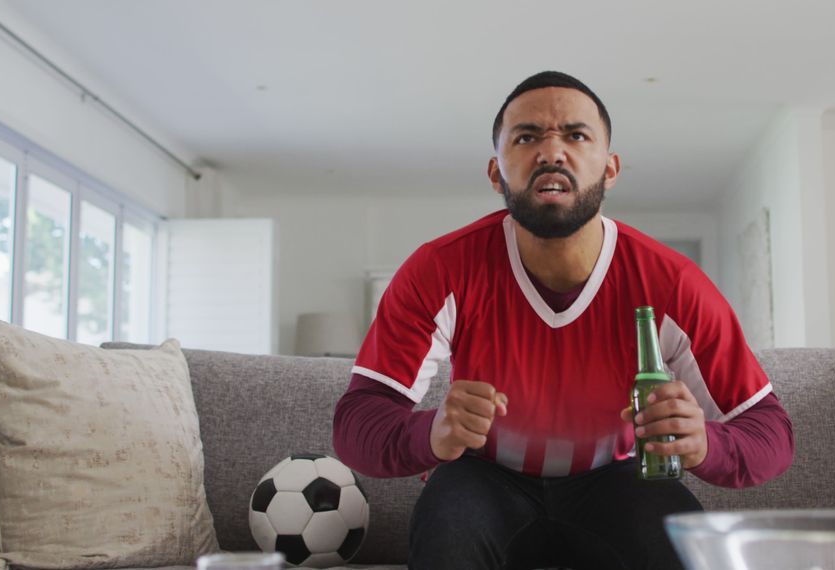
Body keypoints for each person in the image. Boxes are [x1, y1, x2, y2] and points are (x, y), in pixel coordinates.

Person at [333, 71, 794, 570]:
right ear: (496, 172)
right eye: (527, 136)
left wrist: (708, 443)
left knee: (684, 544)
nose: (551, 152)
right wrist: (429, 433)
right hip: (482, 479)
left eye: (575, 135)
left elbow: (771, 433)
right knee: (449, 529)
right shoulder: (439, 268)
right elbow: (357, 423)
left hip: (615, 480)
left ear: (610, 168)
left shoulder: (673, 283)